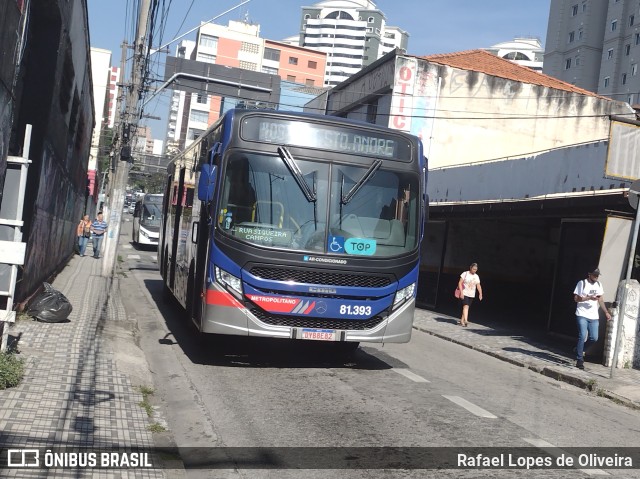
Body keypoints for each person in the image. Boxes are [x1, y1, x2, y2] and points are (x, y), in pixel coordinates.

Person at [573, 267, 612, 370]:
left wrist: (606, 312)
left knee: (594, 338)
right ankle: (579, 359)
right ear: (589, 274)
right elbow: (576, 298)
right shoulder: (582, 283)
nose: (596, 277)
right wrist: (589, 298)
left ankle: (579, 349)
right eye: (595, 275)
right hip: (582, 314)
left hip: (594, 316)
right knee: (582, 335)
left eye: (597, 275)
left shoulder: (599, 285)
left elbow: (601, 300)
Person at [457, 263, 483, 327]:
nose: (475, 270)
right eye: (474, 269)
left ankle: (461, 321)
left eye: (476, 269)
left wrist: (480, 293)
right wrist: (461, 292)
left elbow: (478, 285)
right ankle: (466, 320)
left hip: (471, 294)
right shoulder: (465, 273)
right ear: (470, 268)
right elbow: (460, 283)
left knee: (466, 307)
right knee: (466, 306)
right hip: (464, 292)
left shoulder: (476, 276)